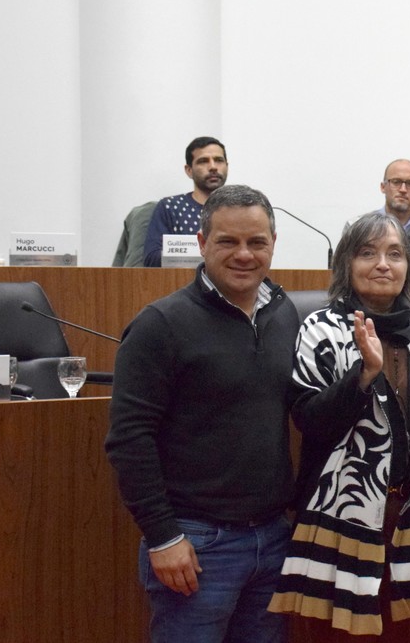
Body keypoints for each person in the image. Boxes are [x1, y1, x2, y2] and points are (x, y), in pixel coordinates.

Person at [268, 212, 410, 639]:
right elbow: (309, 422)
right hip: (341, 514)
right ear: (347, 264)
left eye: (395, 254)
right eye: (367, 253)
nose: (383, 264)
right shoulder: (320, 328)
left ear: (409, 266)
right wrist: (363, 376)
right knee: (339, 635)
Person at [106, 184, 297, 642]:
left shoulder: (284, 312)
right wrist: (163, 537)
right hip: (195, 545)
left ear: (273, 244)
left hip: (273, 540)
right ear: (202, 244)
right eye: (228, 241)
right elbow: (129, 440)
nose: (244, 255)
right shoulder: (161, 324)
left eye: (257, 242)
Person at [143, 136, 229, 267]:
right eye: (203, 161)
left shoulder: (239, 210)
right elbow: (151, 260)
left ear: (227, 166)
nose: (213, 167)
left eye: (218, 160)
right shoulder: (170, 207)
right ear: (189, 170)